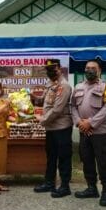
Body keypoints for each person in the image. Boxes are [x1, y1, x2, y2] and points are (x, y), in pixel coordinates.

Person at [71, 59, 106, 206]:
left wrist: (90, 123)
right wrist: (79, 123)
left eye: (93, 68)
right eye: (87, 68)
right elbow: (72, 107)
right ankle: (91, 188)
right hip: (84, 131)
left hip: (100, 132)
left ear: (99, 71)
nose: (89, 70)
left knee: (103, 162)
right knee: (87, 160)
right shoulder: (77, 87)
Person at [33, 59, 73, 198]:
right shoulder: (50, 84)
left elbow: (57, 110)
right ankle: (49, 183)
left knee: (63, 157)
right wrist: (33, 98)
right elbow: (44, 101)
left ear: (59, 69)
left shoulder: (64, 86)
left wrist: (42, 120)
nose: (50, 71)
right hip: (51, 128)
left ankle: (65, 186)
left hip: (61, 127)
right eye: (48, 69)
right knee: (51, 157)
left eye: (53, 69)